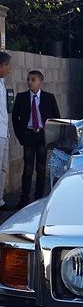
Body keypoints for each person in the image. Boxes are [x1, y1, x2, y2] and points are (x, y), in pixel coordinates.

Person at [12, 70, 60, 207]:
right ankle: (24, 197)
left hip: (43, 135)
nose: (29, 82)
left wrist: (53, 136)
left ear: (41, 82)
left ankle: (39, 196)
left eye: (33, 80)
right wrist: (21, 136)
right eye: (28, 79)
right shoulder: (21, 97)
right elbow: (15, 118)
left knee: (41, 167)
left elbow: (56, 117)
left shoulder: (49, 97)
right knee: (28, 167)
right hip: (28, 135)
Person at [0, 52, 12, 209]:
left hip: (4, 132)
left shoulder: (2, 82)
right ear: (2, 66)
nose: (9, 69)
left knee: (2, 168)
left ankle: (0, 200)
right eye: (8, 66)